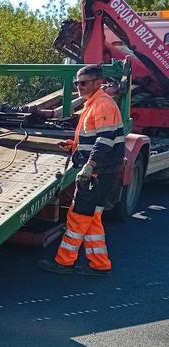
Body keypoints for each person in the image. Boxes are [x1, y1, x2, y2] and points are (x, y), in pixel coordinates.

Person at [39, 65, 124, 277]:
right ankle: (99, 264)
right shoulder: (93, 104)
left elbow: (105, 140)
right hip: (102, 171)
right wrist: (73, 145)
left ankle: (64, 262)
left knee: (78, 217)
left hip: (98, 172)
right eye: (77, 83)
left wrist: (89, 166)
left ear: (97, 82)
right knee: (92, 218)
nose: (79, 87)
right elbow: (94, 138)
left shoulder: (102, 104)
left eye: (83, 83)